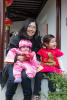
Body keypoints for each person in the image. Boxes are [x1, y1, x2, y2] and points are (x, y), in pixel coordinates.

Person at [5, 18, 42, 100]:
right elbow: (8, 53)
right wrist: (17, 57)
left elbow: (38, 53)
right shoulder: (16, 38)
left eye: (34, 27)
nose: (32, 29)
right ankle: (8, 97)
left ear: (36, 29)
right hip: (15, 63)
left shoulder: (36, 40)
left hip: (30, 63)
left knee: (26, 76)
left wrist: (37, 60)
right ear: (25, 27)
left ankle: (28, 97)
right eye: (29, 26)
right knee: (13, 78)